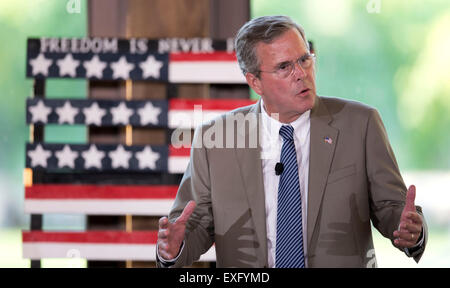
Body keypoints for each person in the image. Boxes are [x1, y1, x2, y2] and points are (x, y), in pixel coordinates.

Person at [156, 15, 427, 268]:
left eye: (304, 59)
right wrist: (174, 248)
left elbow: (392, 209)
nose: (301, 73)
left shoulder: (360, 124)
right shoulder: (213, 140)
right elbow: (194, 227)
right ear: (255, 82)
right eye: (284, 67)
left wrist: (410, 230)